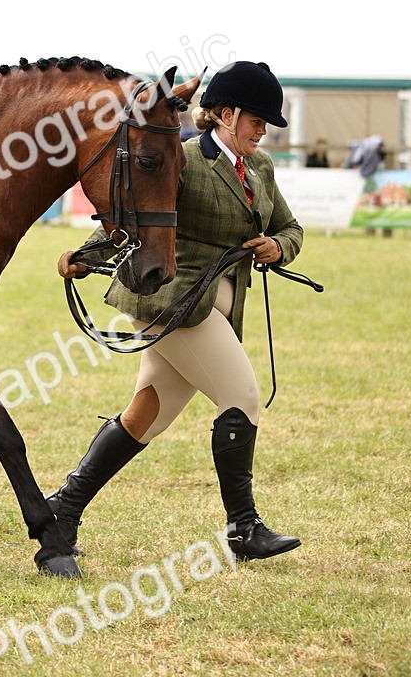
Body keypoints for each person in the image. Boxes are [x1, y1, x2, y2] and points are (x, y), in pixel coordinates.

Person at [51, 61, 304, 563]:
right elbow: (137, 213)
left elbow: (292, 228)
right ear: (225, 115)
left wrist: (278, 246)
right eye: (256, 121)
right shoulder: (185, 158)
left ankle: (63, 507)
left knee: (148, 413)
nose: (261, 132)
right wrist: (86, 255)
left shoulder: (261, 169)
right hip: (173, 300)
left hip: (220, 304)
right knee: (241, 396)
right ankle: (243, 529)